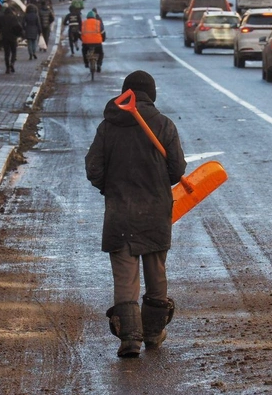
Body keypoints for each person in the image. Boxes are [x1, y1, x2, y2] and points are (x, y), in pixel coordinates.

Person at [85, 70, 187, 358]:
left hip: (119, 214)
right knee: (156, 274)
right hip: (155, 211)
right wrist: (157, 182)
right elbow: (177, 170)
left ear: (125, 92)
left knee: (125, 277)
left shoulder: (108, 126)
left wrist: (110, 188)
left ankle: (130, 339)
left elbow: (94, 167)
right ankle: (153, 333)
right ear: (151, 95)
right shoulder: (164, 125)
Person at [0, 7, 23, 73]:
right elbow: (19, 27)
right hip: (13, 37)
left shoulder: (2, 18)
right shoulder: (14, 18)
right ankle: (12, 63)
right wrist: (18, 34)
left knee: (6, 53)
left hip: (5, 37)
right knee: (14, 52)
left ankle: (7, 68)